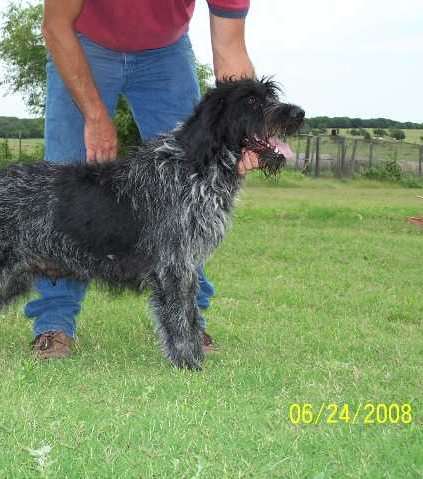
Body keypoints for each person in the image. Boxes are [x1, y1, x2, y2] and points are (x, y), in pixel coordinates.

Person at [26, 0, 261, 358]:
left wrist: (249, 130)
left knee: (190, 196)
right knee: (63, 189)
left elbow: (230, 50)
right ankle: (54, 323)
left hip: (166, 53)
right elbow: (55, 26)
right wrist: (94, 115)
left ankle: (187, 325)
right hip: (83, 44)